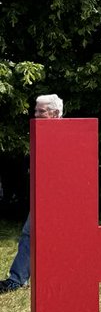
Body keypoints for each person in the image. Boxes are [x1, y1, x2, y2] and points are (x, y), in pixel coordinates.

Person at [1, 94, 63, 294]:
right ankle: (18, 279)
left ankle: (19, 279)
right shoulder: (42, 133)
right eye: (35, 110)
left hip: (58, 199)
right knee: (31, 234)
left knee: (42, 236)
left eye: (41, 111)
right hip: (44, 197)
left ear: (54, 114)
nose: (36, 114)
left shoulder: (63, 135)